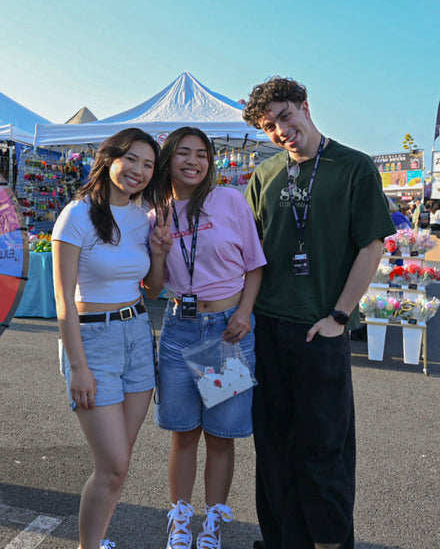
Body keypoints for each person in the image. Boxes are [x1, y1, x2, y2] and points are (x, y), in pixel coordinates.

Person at [241, 77, 395, 549]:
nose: (282, 130)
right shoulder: (264, 175)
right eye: (270, 126)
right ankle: (282, 540)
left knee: (323, 447)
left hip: (320, 329)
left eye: (286, 116)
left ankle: (329, 542)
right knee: (271, 446)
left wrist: (339, 317)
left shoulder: (354, 167)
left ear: (306, 108)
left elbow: (371, 246)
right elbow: (247, 253)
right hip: (267, 328)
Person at [144, 127, 266, 549]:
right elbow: (154, 289)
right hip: (179, 331)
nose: (193, 161)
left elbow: (254, 265)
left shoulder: (229, 200)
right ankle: (180, 521)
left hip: (226, 332)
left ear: (211, 163)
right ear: (168, 160)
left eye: (201, 154)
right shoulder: (156, 210)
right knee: (183, 432)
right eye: (183, 153)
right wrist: (158, 254)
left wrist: (245, 313)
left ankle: (212, 523)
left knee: (219, 435)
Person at [52, 127, 166, 549]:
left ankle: (97, 541)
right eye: (132, 159)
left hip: (138, 333)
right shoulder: (76, 215)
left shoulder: (141, 217)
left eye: (148, 165)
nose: (139, 171)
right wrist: (78, 367)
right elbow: (63, 300)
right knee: (113, 464)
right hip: (92, 340)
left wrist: (159, 252)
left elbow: (152, 288)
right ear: (110, 159)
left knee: (121, 462)